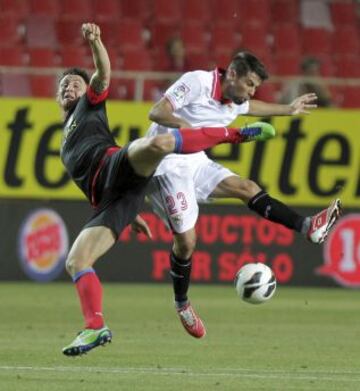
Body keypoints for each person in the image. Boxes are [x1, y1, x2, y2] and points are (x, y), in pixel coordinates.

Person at [58, 24, 276, 356]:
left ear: (86, 90)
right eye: (63, 84)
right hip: (114, 197)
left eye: (74, 82)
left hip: (116, 164)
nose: (67, 86)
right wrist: (129, 214)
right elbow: (86, 182)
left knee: (160, 142)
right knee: (76, 260)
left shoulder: (90, 104)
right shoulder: (65, 140)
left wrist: (96, 41)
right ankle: (95, 328)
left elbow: (103, 72)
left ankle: (236, 135)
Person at [146, 51, 342, 339]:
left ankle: (308, 227)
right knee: (187, 242)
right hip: (165, 165)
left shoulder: (233, 101)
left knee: (247, 187)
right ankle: (182, 303)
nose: (251, 91)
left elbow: (252, 107)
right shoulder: (198, 82)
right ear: (232, 75)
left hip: (195, 161)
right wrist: (191, 132)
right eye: (249, 83)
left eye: (255, 87)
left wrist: (287, 109)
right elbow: (157, 112)